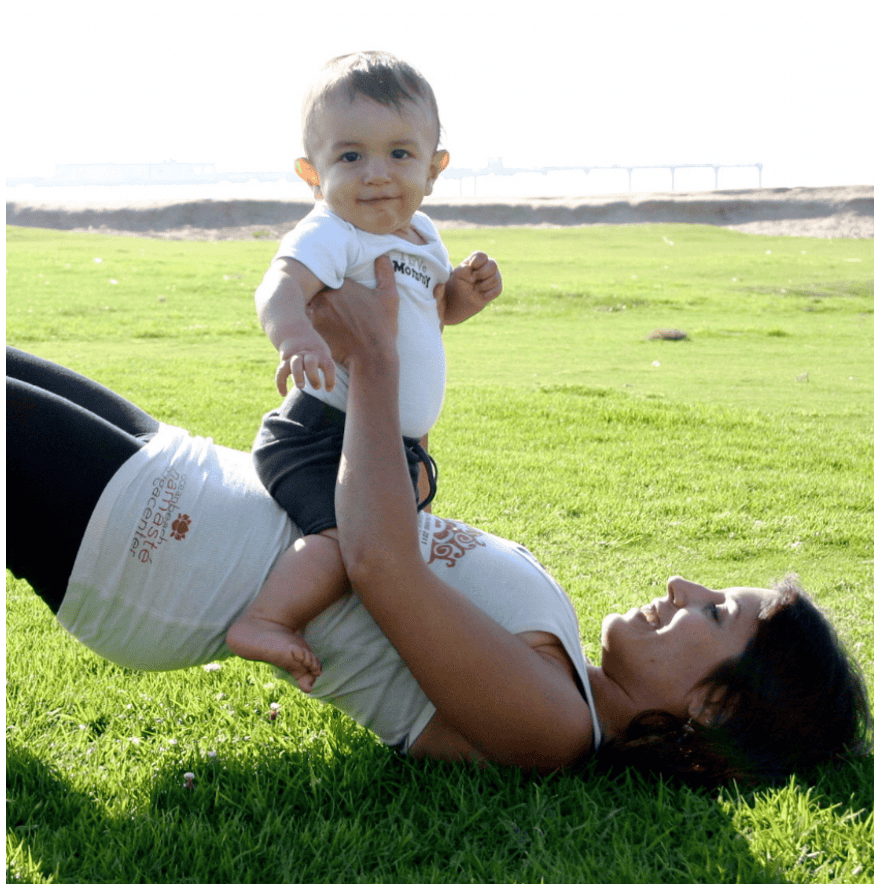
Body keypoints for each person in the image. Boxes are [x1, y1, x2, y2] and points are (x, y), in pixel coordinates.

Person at [5, 259, 870, 784]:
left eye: (717, 613)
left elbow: (382, 564)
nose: (685, 585)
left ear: (713, 710)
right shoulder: (562, 665)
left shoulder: (555, 729)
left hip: (155, 554)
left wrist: (378, 357)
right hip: (183, 480)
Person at [227, 50, 502, 682]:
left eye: (400, 154)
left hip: (391, 447)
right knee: (350, 546)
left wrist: (465, 294)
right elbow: (279, 285)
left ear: (434, 169)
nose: (376, 174)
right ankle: (265, 619)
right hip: (322, 436)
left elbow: (431, 317)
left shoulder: (424, 236)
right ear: (311, 173)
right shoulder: (334, 231)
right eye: (350, 156)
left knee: (400, 553)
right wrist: (295, 335)